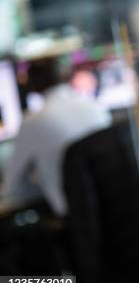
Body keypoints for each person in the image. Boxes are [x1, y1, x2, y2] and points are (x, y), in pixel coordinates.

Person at [2, 55, 111, 216]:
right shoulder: (96, 107)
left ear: (31, 84)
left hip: (76, 218)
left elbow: (13, 187)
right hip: (114, 208)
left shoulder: (33, 123)